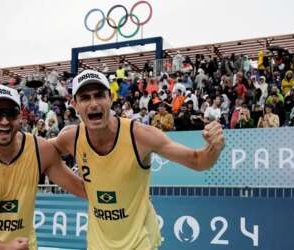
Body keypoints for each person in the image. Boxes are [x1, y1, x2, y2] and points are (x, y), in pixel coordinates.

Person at [49, 70, 225, 249]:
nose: (93, 104)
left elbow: (198, 161)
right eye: (85, 98)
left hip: (140, 241)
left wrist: (214, 148)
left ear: (110, 98)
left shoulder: (140, 135)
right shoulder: (71, 138)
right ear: (74, 105)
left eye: (99, 95)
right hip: (98, 243)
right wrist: (81, 188)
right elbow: (41, 154)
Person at [0, 85, 86, 250]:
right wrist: (3, 248)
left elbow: (83, 190)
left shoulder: (40, 150)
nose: (4, 121)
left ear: (20, 116)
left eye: (11, 113)